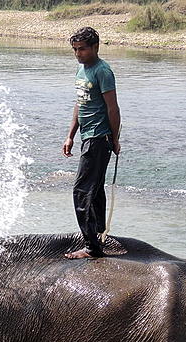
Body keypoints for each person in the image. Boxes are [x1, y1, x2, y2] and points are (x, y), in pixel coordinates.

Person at [62, 27, 121, 259]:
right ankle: (97, 233)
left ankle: (91, 247)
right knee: (94, 189)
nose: (78, 53)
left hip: (99, 137)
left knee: (81, 190)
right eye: (75, 49)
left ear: (96, 47)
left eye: (83, 49)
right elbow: (81, 103)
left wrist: (114, 139)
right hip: (87, 134)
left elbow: (113, 108)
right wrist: (70, 135)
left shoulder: (102, 71)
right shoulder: (81, 70)